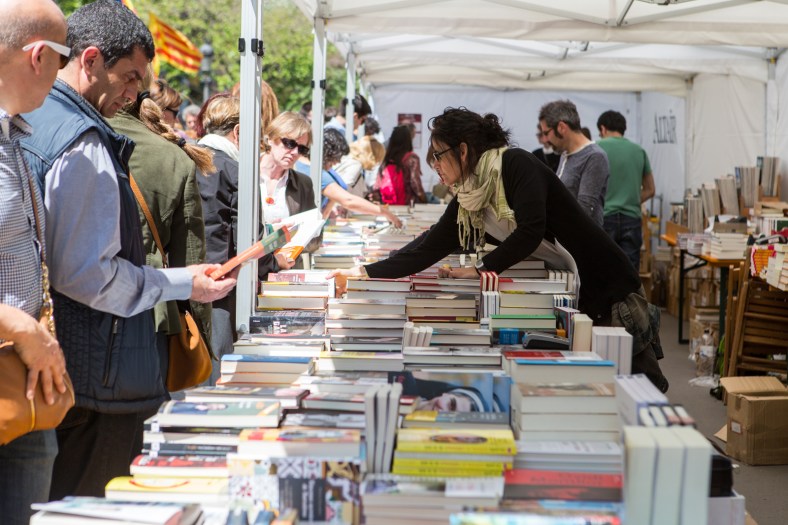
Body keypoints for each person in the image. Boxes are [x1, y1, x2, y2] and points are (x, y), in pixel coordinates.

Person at [19, 0, 237, 499]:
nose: (136, 93)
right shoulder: (81, 140)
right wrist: (182, 282)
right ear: (90, 60)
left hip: (64, 368)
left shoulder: (32, 120)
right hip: (96, 376)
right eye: (130, 77)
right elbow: (91, 277)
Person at [329, 107, 668, 392]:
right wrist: (364, 273)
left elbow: (531, 229)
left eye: (439, 156)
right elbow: (427, 248)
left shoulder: (516, 165)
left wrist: (480, 269)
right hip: (575, 299)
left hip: (610, 291)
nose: (436, 166)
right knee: (603, 391)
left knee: (641, 390)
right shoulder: (469, 198)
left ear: (463, 151)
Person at [0, 0, 69, 521]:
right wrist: (22, 328)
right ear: (39, 55)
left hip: (26, 376)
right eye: (63, 58)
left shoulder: (16, 136)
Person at [109, 71, 216, 388]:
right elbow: (190, 260)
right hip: (153, 314)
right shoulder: (174, 158)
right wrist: (202, 338)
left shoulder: (73, 136)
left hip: (75, 316)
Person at [196, 96, 295, 385]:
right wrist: (274, 262)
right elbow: (248, 241)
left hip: (182, 281)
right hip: (222, 287)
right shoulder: (235, 171)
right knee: (219, 372)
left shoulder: (184, 158)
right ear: (238, 132)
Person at [597, 110, 655, 271]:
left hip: (605, 218)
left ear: (603, 129)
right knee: (629, 274)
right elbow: (650, 189)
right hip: (632, 219)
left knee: (604, 272)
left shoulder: (596, 148)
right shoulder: (639, 151)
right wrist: (631, 199)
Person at [539, 100, 609, 226]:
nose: (545, 139)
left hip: (582, 236)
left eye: (546, 133)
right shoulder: (565, 154)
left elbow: (584, 210)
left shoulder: (594, 156)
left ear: (561, 127)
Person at [320, 128, 402, 227]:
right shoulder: (355, 165)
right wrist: (383, 212)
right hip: (334, 217)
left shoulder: (349, 160)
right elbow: (344, 196)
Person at [259, 111, 317, 240]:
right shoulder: (241, 174)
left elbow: (314, 236)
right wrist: (269, 231)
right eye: (290, 144)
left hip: (287, 252)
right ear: (270, 139)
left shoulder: (303, 183)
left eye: (302, 149)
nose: (295, 152)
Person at [378, 125, 427, 205]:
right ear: (408, 140)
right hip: (408, 204)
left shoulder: (387, 159)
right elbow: (415, 182)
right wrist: (423, 198)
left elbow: (379, 183)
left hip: (389, 203)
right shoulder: (412, 158)